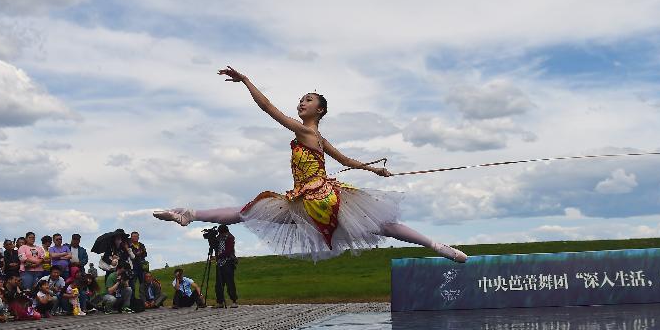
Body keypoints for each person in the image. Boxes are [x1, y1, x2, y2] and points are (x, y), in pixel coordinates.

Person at [154, 66, 467, 263]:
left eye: (308, 100)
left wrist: (246, 81)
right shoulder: (315, 135)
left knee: (246, 211)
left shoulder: (306, 130)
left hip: (321, 198)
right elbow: (345, 160)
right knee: (246, 211)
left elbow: (267, 108)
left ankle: (436, 245)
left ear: (318, 110)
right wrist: (374, 169)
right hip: (304, 198)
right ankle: (189, 215)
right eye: (301, 99)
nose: (301, 103)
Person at [211, 225, 238, 308]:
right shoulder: (219, 238)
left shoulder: (230, 237)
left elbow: (228, 251)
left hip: (228, 262)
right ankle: (220, 302)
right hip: (220, 263)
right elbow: (215, 247)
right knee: (219, 283)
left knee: (230, 283)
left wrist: (217, 257)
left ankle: (234, 301)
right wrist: (211, 239)